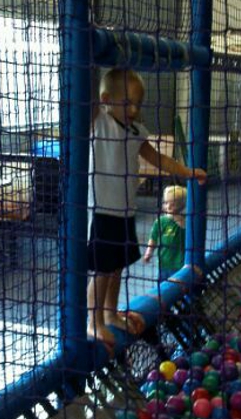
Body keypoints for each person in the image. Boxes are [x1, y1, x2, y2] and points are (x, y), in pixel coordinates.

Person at [87, 68, 206, 352]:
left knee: (116, 267)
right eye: (127, 102)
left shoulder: (136, 131)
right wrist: (91, 56)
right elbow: (86, 92)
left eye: (138, 103)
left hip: (125, 212)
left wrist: (187, 171)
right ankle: (93, 321)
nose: (134, 109)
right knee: (102, 270)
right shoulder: (99, 122)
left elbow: (158, 158)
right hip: (103, 211)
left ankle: (109, 313)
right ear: (105, 99)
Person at [143, 185, 187, 281]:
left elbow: (184, 227)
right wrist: (149, 252)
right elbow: (153, 238)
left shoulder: (183, 220)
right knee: (163, 285)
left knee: (179, 287)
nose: (169, 206)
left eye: (173, 204)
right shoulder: (160, 221)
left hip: (179, 263)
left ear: (181, 206)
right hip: (164, 263)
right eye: (166, 203)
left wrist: (176, 218)